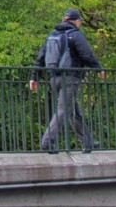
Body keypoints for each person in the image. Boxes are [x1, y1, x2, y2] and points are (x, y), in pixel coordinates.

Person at [29, 8, 105, 153]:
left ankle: (87, 142)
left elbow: (40, 57)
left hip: (53, 77)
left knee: (73, 111)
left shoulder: (52, 35)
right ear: (77, 21)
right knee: (63, 110)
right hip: (70, 77)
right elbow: (86, 54)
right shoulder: (75, 34)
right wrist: (98, 68)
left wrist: (34, 77)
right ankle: (47, 142)